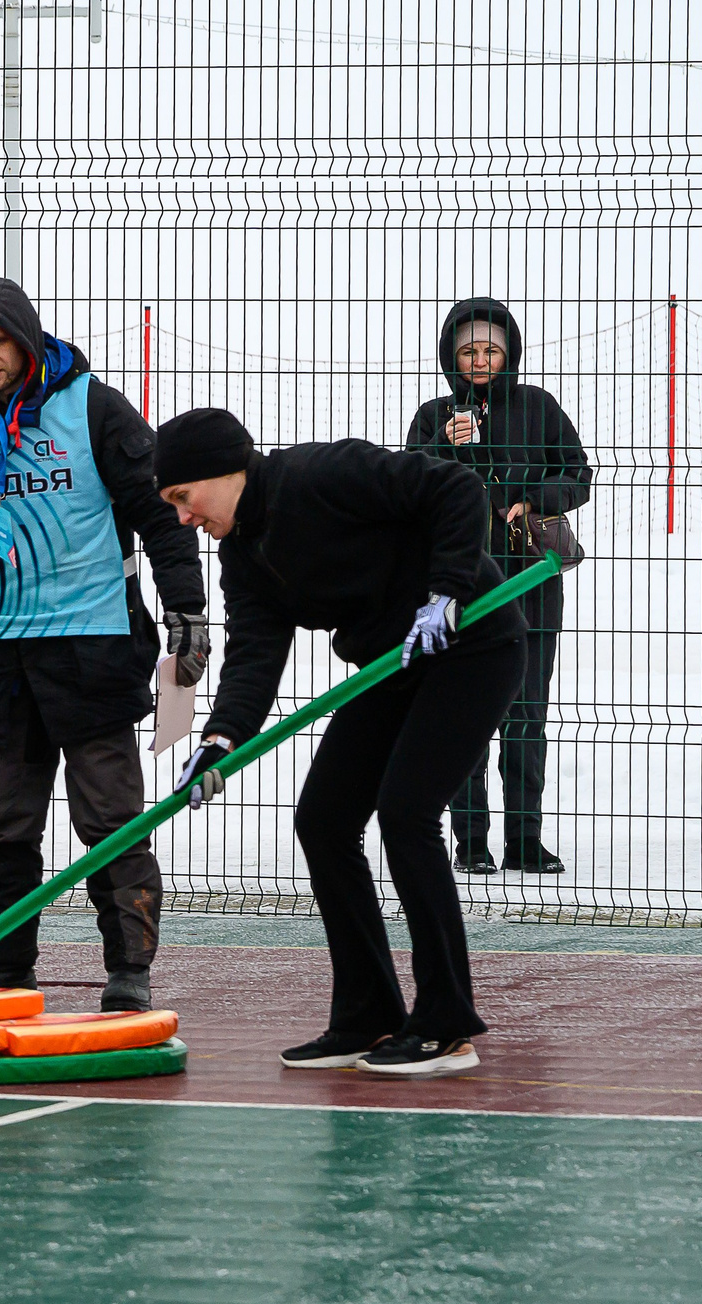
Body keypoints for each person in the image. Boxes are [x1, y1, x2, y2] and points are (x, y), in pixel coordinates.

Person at [156, 407, 526, 1079]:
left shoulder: (319, 474)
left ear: (225, 470)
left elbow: (454, 489)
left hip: (470, 640)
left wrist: (445, 592)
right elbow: (255, 654)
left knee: (407, 814)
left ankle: (445, 1025)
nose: (183, 516)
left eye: (184, 497)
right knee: (324, 819)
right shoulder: (244, 554)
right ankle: (367, 1014)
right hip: (393, 661)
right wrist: (220, 739)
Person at [0, 279, 208, 1012]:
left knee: (112, 820)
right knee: (2, 827)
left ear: (26, 341)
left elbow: (161, 513)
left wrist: (187, 610)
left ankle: (128, 970)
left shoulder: (92, 406)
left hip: (91, 651)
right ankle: (6, 970)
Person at [405, 296, 593, 875]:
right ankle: (470, 842)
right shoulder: (434, 416)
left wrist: (533, 499)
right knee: (467, 717)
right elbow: (410, 487)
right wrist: (446, 446)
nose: (480, 361)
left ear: (509, 353)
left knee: (527, 713)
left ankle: (525, 841)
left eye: (490, 350)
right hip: (461, 586)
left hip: (532, 584)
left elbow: (578, 475)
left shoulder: (538, 408)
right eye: (468, 352)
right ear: (450, 357)